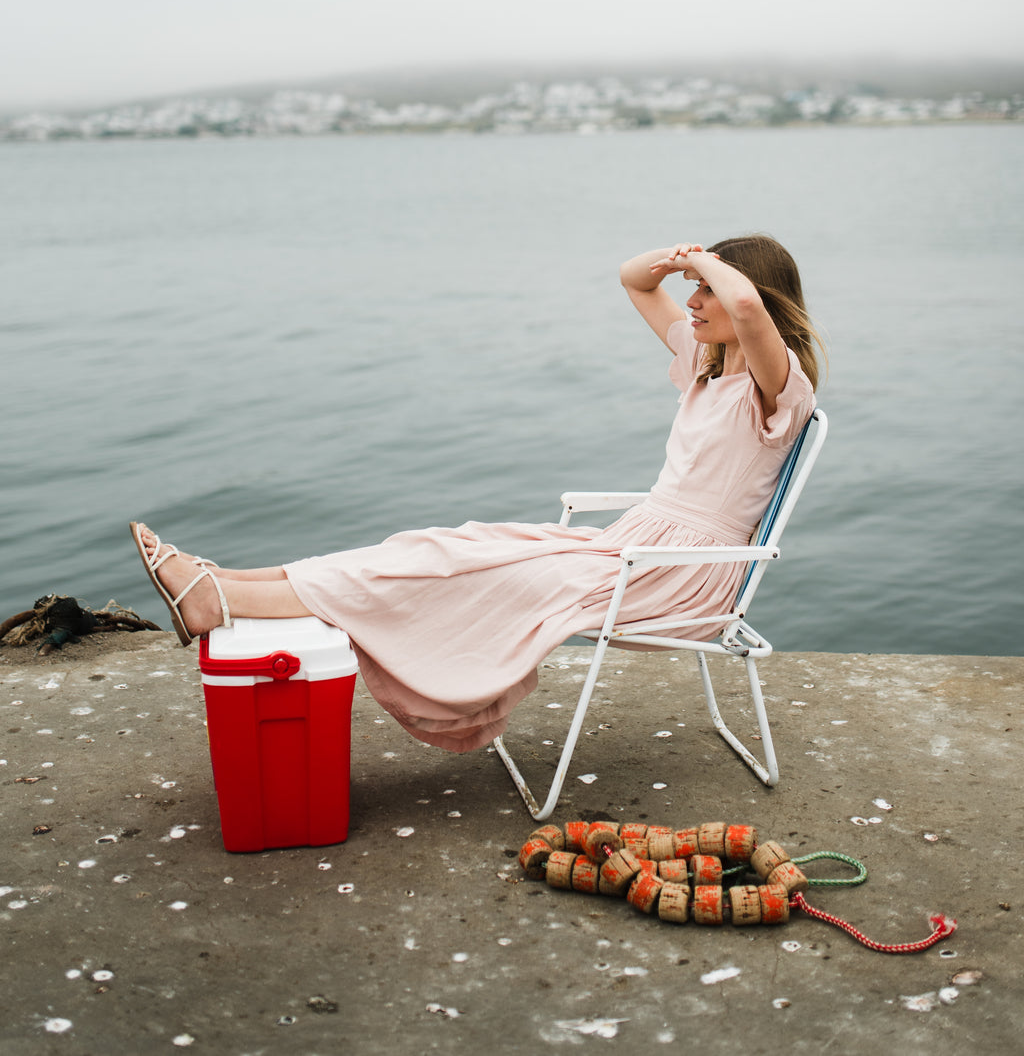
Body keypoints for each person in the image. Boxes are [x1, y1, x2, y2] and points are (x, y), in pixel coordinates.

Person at [132, 235, 821, 753]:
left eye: (703, 291)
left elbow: (741, 303)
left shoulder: (777, 390)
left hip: (680, 579)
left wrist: (709, 266)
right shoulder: (705, 365)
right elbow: (632, 280)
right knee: (448, 546)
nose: (693, 302)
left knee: (457, 568)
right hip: (633, 546)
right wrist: (679, 257)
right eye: (691, 290)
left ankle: (221, 598)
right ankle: (224, 584)